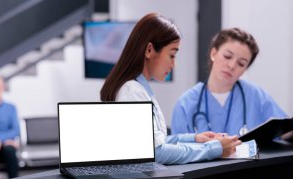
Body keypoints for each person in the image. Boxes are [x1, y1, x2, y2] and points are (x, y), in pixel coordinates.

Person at [100, 13, 241, 165]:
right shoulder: (131, 91)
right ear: (149, 50)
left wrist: (195, 139)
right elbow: (156, 153)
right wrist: (213, 149)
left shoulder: (140, 89)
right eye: (172, 55)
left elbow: (157, 141)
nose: (173, 65)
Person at [171, 27, 287, 136]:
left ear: (245, 69)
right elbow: (177, 151)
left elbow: (285, 131)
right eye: (227, 56)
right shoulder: (186, 103)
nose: (232, 65)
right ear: (213, 54)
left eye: (241, 63)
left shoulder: (256, 96)